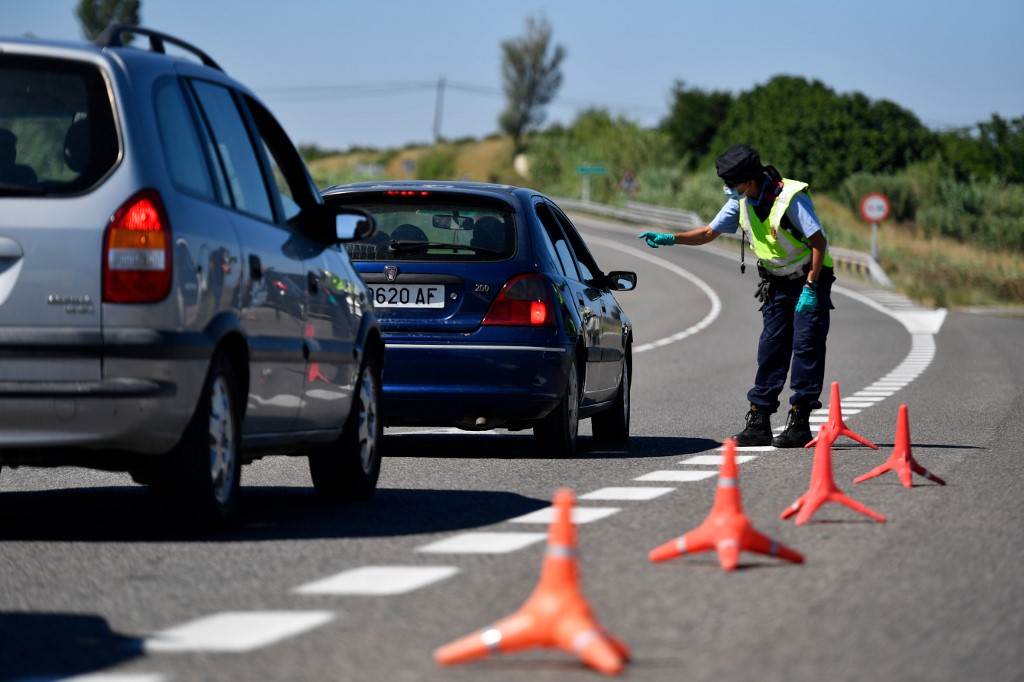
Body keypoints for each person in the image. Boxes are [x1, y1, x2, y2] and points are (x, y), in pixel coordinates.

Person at [638, 144, 835, 448]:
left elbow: (819, 241)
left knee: (806, 346)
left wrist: (811, 286)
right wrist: (670, 239)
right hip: (777, 283)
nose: (726, 189)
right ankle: (759, 421)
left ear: (748, 181)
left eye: (730, 184)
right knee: (771, 348)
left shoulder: (789, 200)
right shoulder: (742, 203)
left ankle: (800, 420)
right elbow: (707, 233)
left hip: (810, 278)